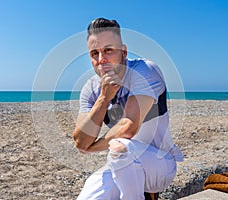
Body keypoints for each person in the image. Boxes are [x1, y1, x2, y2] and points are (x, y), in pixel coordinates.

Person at [73, 17, 183, 200]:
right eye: (94, 53)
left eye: (108, 50)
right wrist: (103, 98)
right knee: (89, 194)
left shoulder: (145, 71)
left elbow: (128, 128)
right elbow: (80, 141)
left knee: (120, 146)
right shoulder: (91, 90)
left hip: (160, 164)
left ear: (123, 52)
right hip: (122, 166)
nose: (101, 60)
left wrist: (91, 148)